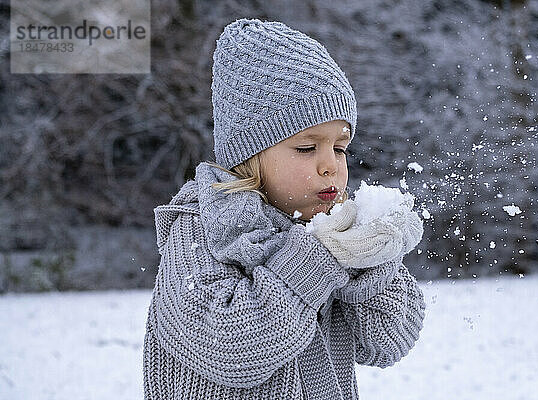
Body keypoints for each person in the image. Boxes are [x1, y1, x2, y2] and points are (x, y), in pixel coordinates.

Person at [143, 17, 426, 400]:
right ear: (250, 155)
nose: (331, 165)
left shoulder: (329, 231)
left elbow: (389, 340)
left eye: (340, 148)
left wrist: (371, 261)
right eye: (307, 148)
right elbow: (227, 348)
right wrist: (316, 262)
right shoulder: (200, 230)